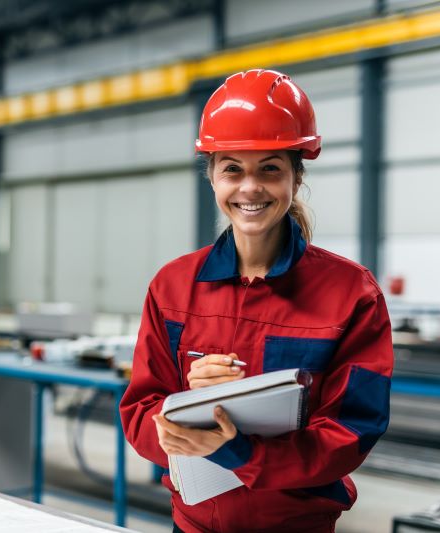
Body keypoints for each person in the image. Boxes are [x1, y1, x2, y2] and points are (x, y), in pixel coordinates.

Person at [119, 69, 394, 532]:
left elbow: (351, 432)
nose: (250, 188)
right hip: (192, 525)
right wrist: (175, 417)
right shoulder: (172, 286)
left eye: (270, 168)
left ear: (295, 176)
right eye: (232, 169)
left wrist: (239, 451)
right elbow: (141, 407)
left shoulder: (350, 295)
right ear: (212, 177)